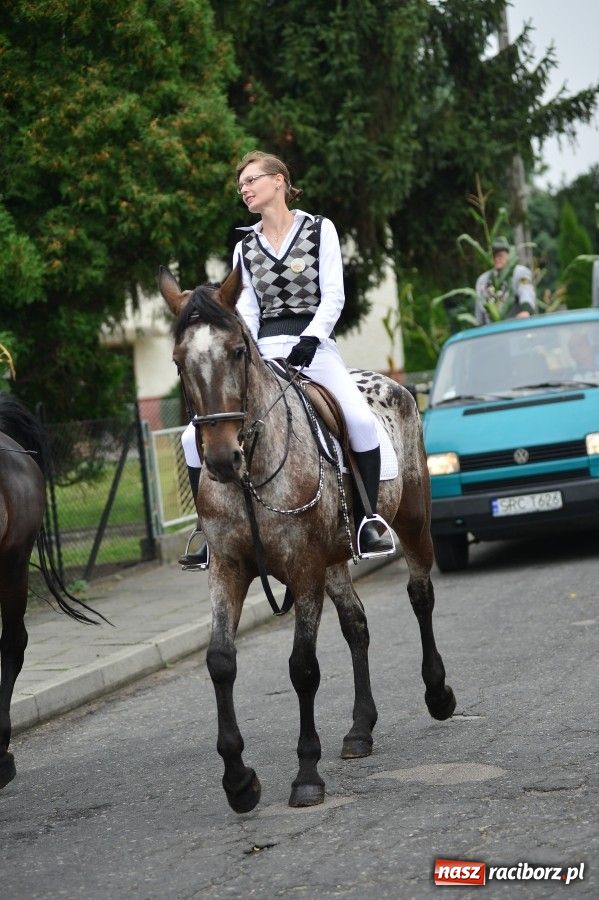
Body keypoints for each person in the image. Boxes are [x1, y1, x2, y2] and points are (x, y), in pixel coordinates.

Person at [179, 150, 394, 569]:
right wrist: (253, 353)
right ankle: (204, 531)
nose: (245, 189)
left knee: (362, 420)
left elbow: (334, 294)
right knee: (191, 437)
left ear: (279, 181)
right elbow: (250, 309)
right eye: (241, 185)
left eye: (251, 180)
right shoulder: (245, 246)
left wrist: (312, 338)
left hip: (316, 346)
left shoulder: (319, 230)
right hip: (264, 352)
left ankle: (370, 519)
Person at [474, 236, 536, 325]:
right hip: (491, 330)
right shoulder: (483, 280)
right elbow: (479, 309)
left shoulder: (520, 272)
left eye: (500, 255)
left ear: (508, 255)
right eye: (494, 255)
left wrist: (525, 310)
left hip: (515, 326)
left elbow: (526, 291)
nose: (497, 259)